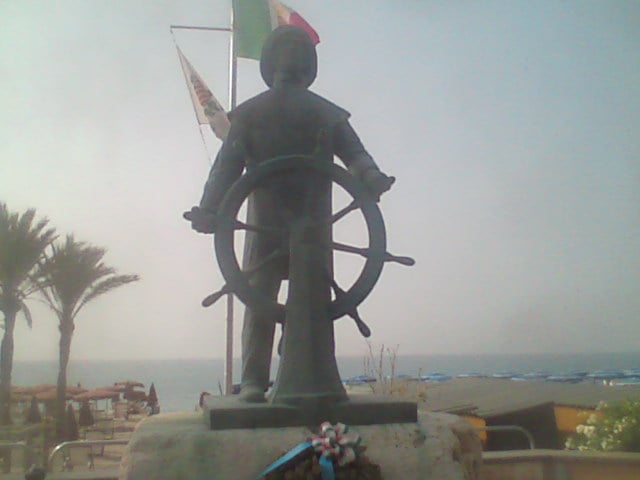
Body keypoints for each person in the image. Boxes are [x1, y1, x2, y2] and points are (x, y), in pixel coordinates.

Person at [186, 26, 393, 402]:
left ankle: (313, 372)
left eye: (298, 52)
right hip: (269, 223)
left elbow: (356, 156)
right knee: (260, 299)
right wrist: (209, 208)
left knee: (308, 300)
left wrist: (372, 177)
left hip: (311, 225)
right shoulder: (251, 116)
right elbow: (226, 168)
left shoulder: (325, 114)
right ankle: (253, 379)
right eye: (287, 52)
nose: (292, 59)